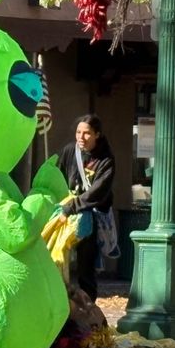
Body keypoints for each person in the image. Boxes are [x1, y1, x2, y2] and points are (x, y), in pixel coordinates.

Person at [57, 114, 115, 301]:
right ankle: (61, 300)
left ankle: (88, 305)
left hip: (90, 217)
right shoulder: (69, 151)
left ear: (97, 134)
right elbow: (57, 177)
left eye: (87, 133)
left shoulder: (106, 159)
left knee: (86, 266)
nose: (81, 137)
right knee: (59, 258)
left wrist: (72, 206)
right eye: (78, 132)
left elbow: (98, 192)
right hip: (66, 214)